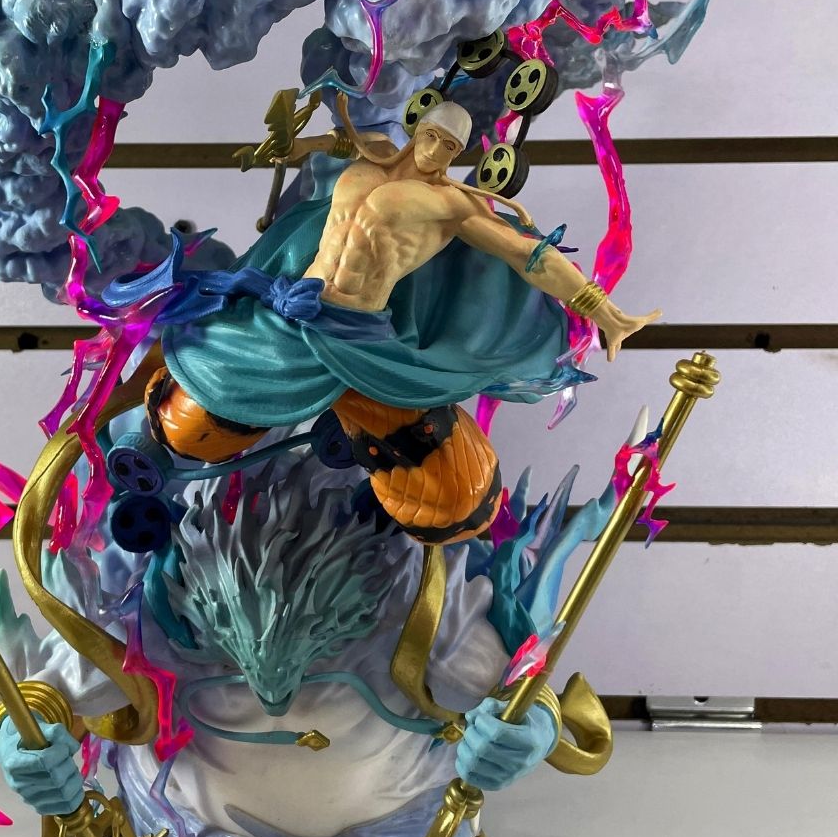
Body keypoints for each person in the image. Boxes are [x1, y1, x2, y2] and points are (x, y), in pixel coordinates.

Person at [123, 98, 658, 544]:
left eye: (450, 147)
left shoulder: (453, 204)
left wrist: (600, 309)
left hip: (352, 330)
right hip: (288, 308)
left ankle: (380, 457)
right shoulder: (372, 154)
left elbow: (527, 255)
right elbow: (327, 144)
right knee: (190, 416)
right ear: (418, 128)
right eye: (433, 137)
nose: (436, 151)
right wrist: (286, 148)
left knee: (448, 497)